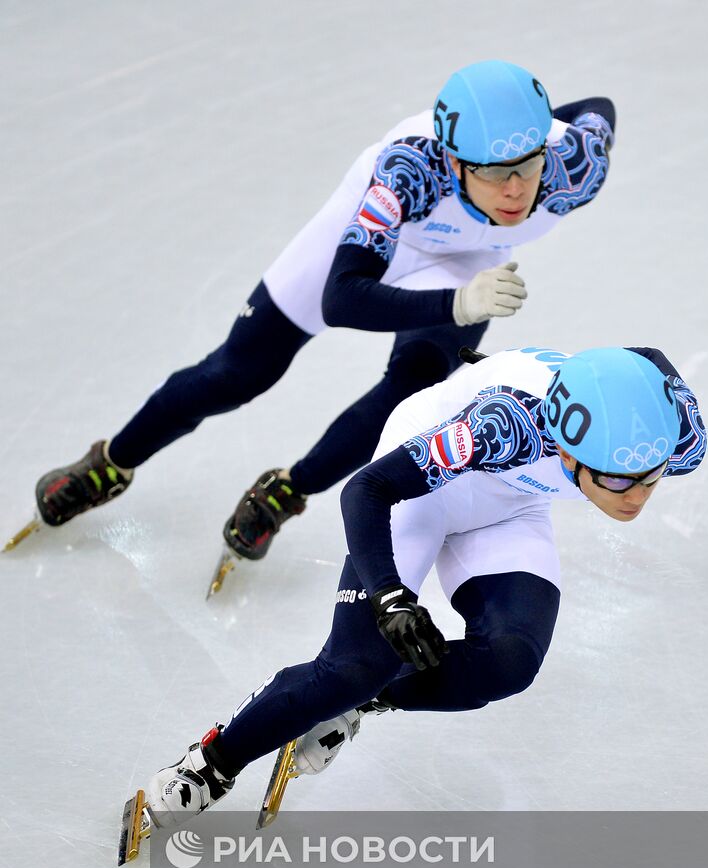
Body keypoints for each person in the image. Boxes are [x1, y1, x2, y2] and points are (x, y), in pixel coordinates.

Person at [34, 60, 616, 566]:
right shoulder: (410, 171)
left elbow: (598, 107)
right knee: (239, 372)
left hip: (467, 256)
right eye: (492, 170)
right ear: (455, 161)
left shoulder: (574, 167)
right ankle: (110, 462)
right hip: (371, 240)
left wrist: (527, 126)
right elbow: (342, 299)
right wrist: (457, 304)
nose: (515, 189)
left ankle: (288, 491)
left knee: (411, 387)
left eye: (528, 162)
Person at [127, 343, 707, 828]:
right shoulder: (503, 429)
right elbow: (366, 490)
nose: (635, 495)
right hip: (419, 490)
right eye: (614, 477)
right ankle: (211, 762)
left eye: (651, 477)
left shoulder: (678, 436)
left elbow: (646, 359)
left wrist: (505, 362)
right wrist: (390, 597)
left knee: (509, 662)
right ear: (565, 447)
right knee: (353, 666)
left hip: (511, 504)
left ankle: (363, 701)